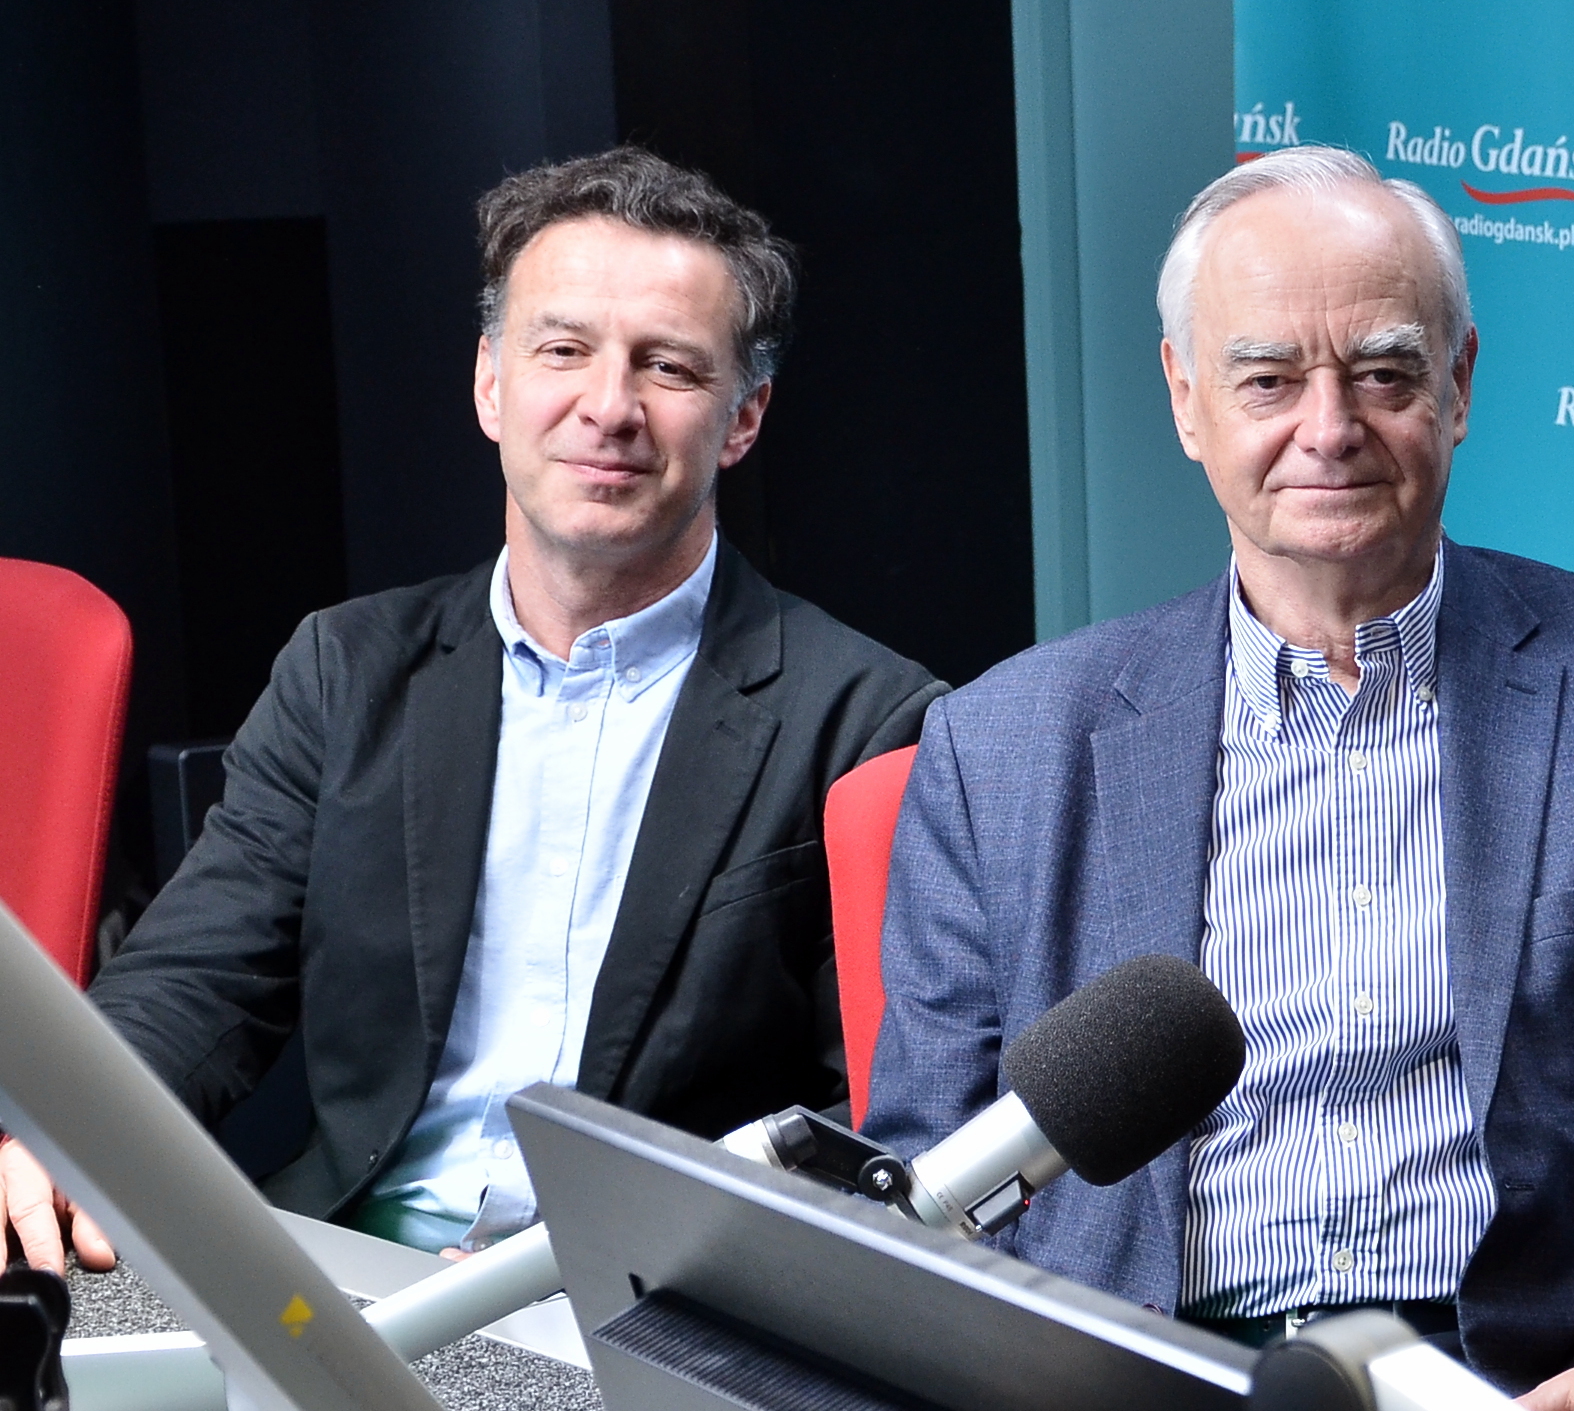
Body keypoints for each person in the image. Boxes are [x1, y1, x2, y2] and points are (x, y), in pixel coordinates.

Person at [861, 145, 1574, 1411]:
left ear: (1459, 383)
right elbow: (929, 1176)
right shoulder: (1003, 743)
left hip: (1522, 1403)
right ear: (1186, 401)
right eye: (1266, 379)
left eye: (1383, 372)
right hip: (1142, 1400)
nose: (1330, 427)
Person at [0, 148, 942, 1265]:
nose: (609, 406)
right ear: (491, 384)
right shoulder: (344, 671)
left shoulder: (872, 721)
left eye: (670, 369)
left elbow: (870, 1132)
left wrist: (593, 1265)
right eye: (563, 351)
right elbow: (200, 980)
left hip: (645, 1300)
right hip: (340, 1259)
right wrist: (65, 1135)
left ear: (741, 419)